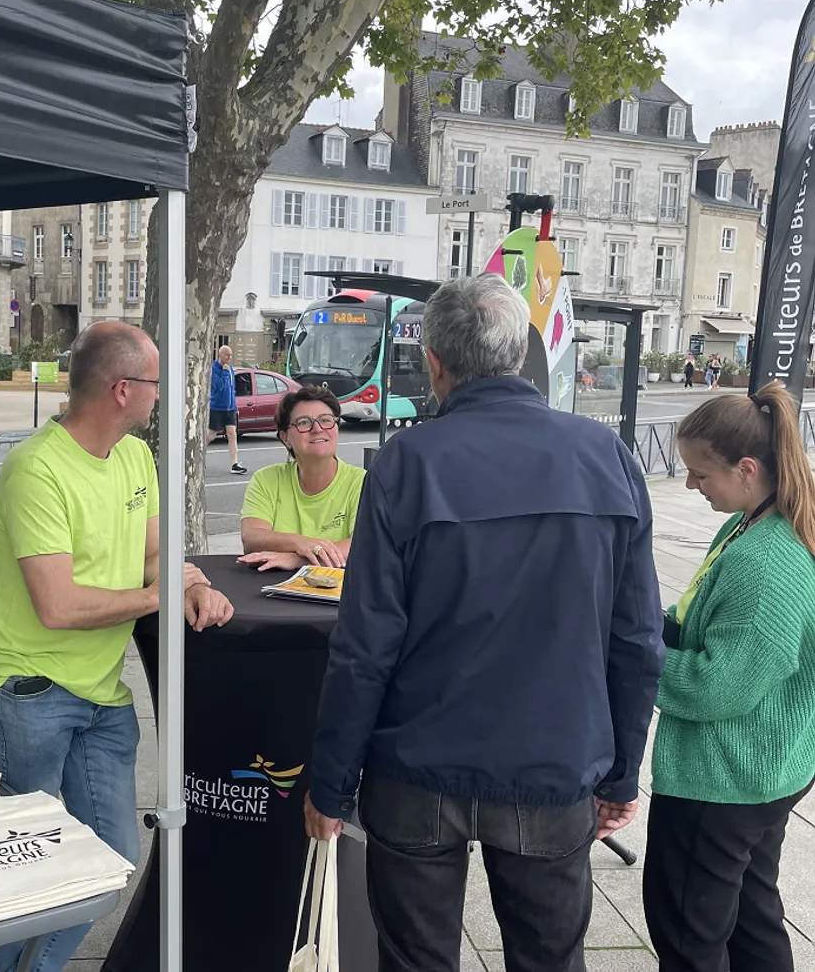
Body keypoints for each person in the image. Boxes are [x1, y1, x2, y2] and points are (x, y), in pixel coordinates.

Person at [305, 272, 664, 972]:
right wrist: (622, 773)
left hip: (418, 767)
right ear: (518, 354)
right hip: (552, 763)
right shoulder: (607, 457)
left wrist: (330, 783)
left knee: (415, 959)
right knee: (550, 958)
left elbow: (365, 646)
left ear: (434, 361)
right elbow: (637, 640)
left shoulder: (406, 463)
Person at [0, 322, 234, 972]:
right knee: (27, 861)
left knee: (112, 856)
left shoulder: (136, 458)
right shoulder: (36, 468)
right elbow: (57, 606)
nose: (161, 395)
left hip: (100, 693)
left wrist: (191, 582)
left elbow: (154, 555)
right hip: (27, 690)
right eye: (155, 383)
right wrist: (158, 597)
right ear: (122, 389)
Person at [643, 382, 815, 972]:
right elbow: (698, 618)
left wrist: (630, 658)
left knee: (689, 934)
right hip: (766, 768)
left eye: (700, 474)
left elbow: (715, 687)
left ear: (746, 468)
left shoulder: (765, 559)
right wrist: (648, 625)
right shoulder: (752, 522)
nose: (690, 484)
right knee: (749, 917)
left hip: (723, 778)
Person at [237, 386, 365, 570]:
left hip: (339, 593)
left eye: (326, 420)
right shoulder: (266, 479)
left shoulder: (361, 482)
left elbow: (361, 546)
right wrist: (301, 543)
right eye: (304, 422)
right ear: (285, 437)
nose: (317, 428)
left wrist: (298, 560)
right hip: (272, 589)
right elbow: (252, 538)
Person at [207, 345, 247, 474]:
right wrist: (223, 372)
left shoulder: (230, 369)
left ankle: (234, 464)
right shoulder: (214, 369)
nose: (229, 357)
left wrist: (235, 407)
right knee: (211, 435)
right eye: (227, 355)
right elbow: (218, 387)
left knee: (232, 434)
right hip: (217, 407)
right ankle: (196, 453)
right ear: (220, 354)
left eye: (230, 355)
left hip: (230, 408)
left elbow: (231, 389)